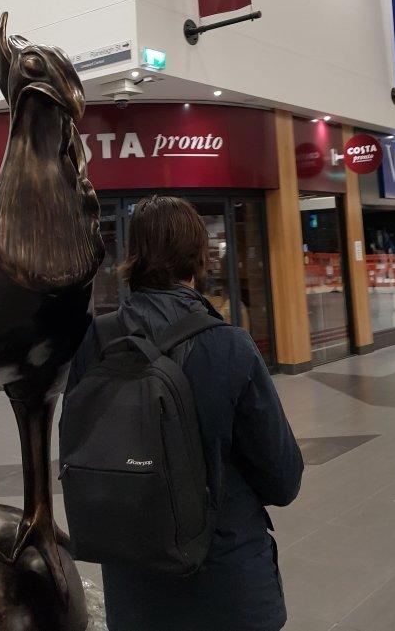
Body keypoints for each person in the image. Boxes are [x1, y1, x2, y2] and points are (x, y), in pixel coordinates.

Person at [66, 195, 304, 631]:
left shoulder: (94, 342)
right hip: (228, 583)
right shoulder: (230, 345)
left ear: (132, 255)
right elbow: (284, 479)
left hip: (133, 585)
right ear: (198, 258)